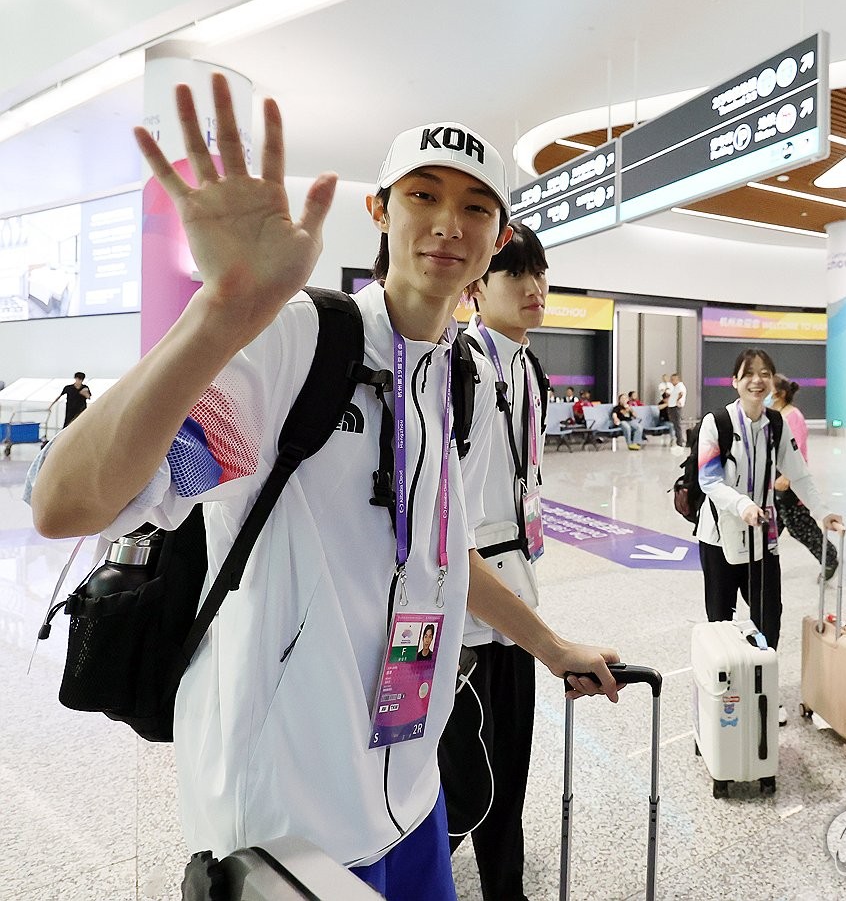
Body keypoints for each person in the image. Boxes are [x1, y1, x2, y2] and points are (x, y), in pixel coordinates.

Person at [25, 75, 620, 901]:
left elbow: (443, 550)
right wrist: (222, 312)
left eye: (477, 207)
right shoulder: (298, 346)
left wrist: (550, 646)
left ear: (498, 237)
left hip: (411, 796)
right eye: (424, 194)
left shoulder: (467, 382)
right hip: (281, 822)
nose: (449, 222)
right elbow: (68, 502)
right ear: (380, 212)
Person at [442, 221, 550, 901]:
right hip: (470, 618)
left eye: (542, 274)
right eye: (519, 274)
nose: (536, 287)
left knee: (503, 778)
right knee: (469, 782)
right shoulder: (468, 368)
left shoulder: (527, 366)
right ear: (479, 287)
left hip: (516, 600)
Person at [696, 348, 843, 726]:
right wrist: (742, 504)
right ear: (735, 381)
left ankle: (763, 689)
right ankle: (725, 688)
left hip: (763, 536)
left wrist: (823, 512)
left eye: (765, 373)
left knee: (768, 617)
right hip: (720, 535)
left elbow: (800, 474)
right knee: (721, 618)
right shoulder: (717, 423)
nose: (757, 380)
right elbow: (708, 479)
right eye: (749, 373)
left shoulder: (776, 424)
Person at [768, 374, 837, 581]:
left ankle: (830, 557)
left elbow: (794, 450)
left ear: (779, 394)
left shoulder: (792, 416)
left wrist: (787, 477)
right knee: (770, 528)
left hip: (789, 482)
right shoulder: (774, 414)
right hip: (773, 481)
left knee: (799, 527)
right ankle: (761, 564)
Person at [667, 373, 687, 447]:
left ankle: (680, 441)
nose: (671, 381)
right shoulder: (675, 387)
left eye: (673, 379)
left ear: (677, 379)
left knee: (677, 425)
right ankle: (679, 439)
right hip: (673, 406)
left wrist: (677, 400)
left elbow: (681, 394)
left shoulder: (680, 386)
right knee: (675, 425)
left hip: (675, 407)